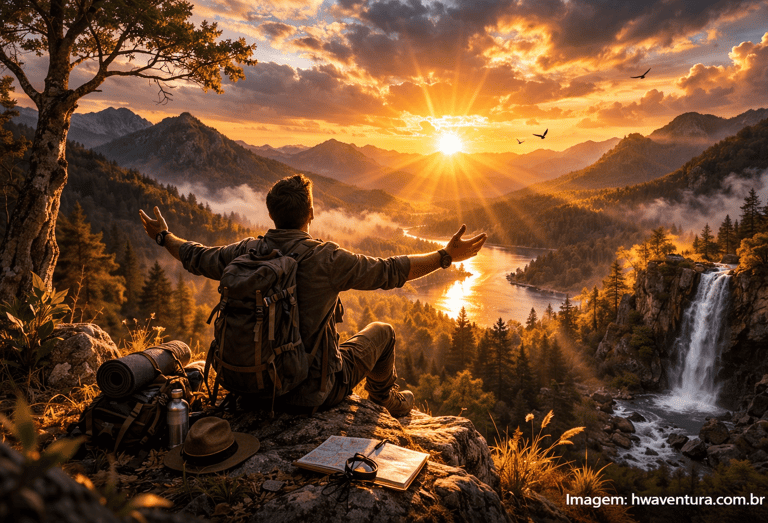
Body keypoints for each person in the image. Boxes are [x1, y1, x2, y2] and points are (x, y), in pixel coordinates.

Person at [139, 174, 486, 417]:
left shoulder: (246, 252)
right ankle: (383, 402)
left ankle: (380, 400)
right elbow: (390, 270)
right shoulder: (326, 258)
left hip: (248, 389)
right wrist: (444, 256)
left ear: (272, 215)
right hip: (311, 394)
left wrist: (163, 237)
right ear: (311, 215)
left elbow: (196, 257)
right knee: (384, 331)